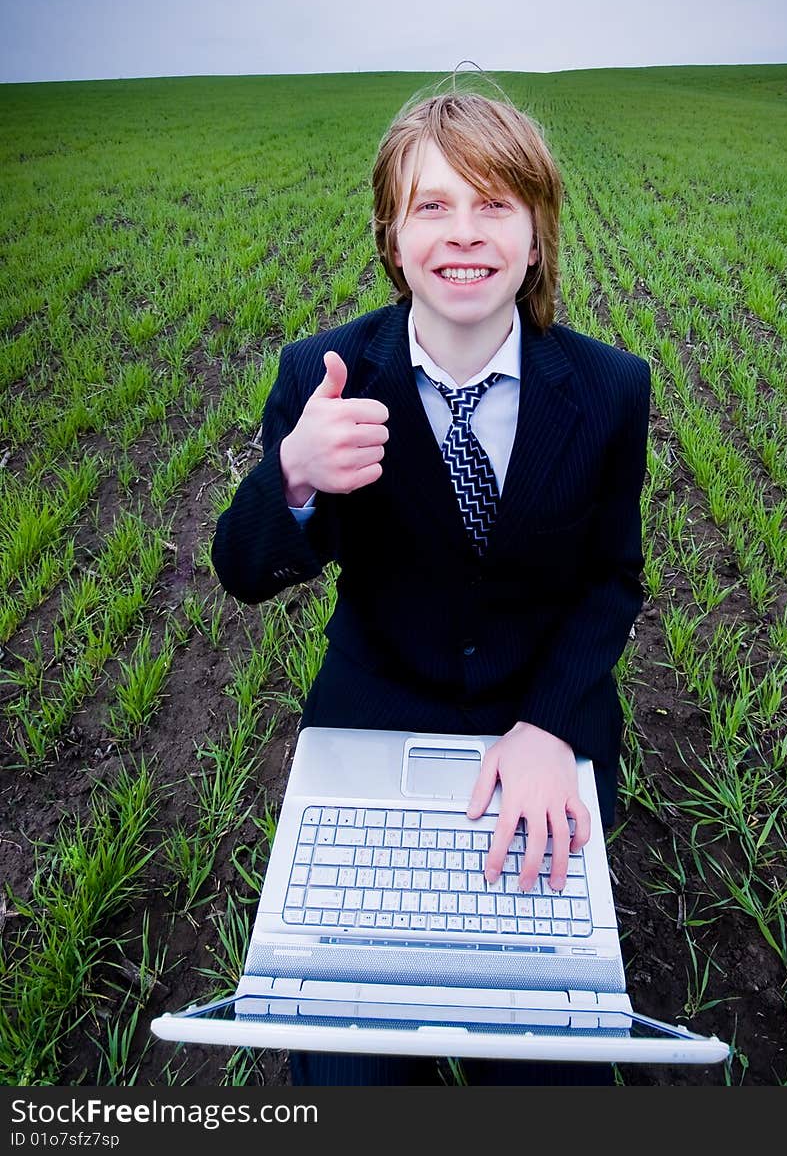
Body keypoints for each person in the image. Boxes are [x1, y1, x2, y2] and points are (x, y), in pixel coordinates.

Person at [211, 86, 651, 1085]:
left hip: (539, 727)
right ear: (393, 235)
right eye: (433, 205)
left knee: (552, 1066)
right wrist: (293, 475)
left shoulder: (611, 389)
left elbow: (610, 578)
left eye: (495, 205)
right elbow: (242, 569)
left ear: (536, 237)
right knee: (345, 1069)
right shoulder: (320, 376)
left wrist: (548, 725)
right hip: (373, 716)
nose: (464, 233)